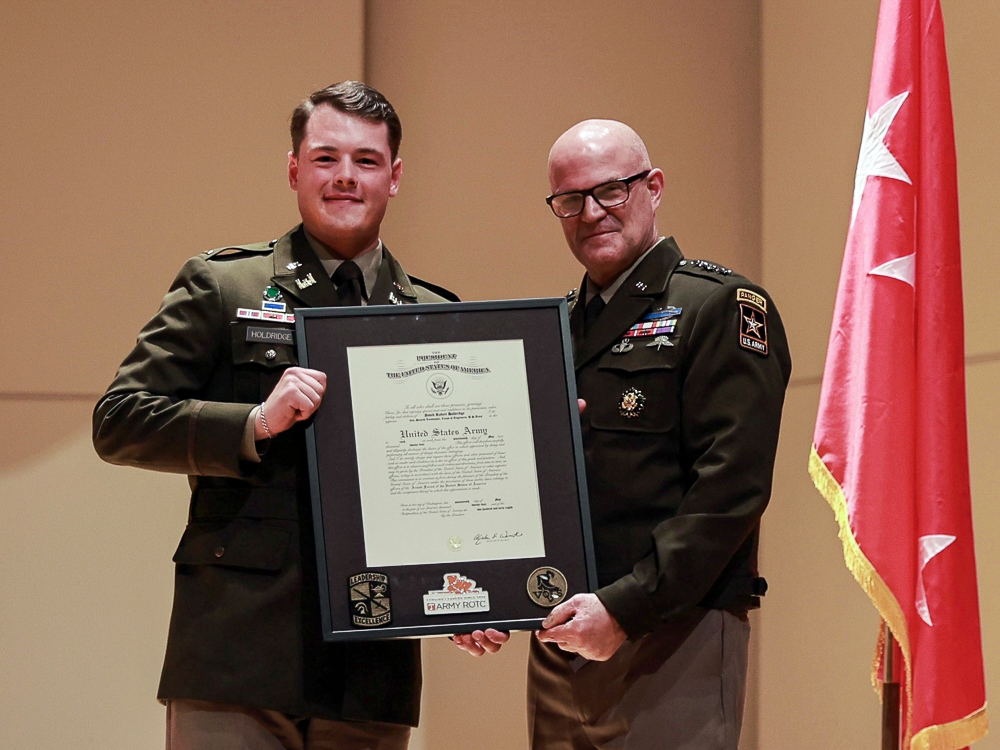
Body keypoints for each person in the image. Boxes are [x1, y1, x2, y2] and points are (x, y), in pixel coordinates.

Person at [94, 81, 456, 750]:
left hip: (370, 664)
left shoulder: (434, 313)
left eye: (366, 161)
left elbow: (446, 487)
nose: (345, 177)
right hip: (237, 653)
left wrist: (473, 594)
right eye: (325, 158)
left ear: (395, 177)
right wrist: (255, 421)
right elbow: (121, 420)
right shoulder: (222, 285)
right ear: (294, 169)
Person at [454, 120, 791, 750]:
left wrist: (626, 609)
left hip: (670, 634)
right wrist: (490, 594)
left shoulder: (720, 306)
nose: (591, 213)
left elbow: (730, 490)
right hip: (559, 635)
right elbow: (521, 482)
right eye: (570, 200)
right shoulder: (552, 328)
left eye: (611, 191)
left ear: (653, 187)